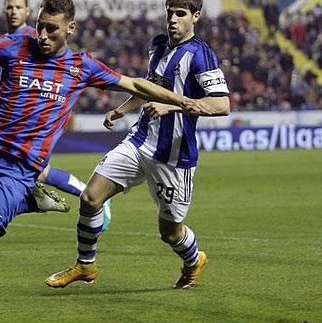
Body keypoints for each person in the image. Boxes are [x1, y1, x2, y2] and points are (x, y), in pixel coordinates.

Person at [0, 0, 209, 321]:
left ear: (70, 28)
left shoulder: (81, 66)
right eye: (40, 28)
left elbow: (134, 83)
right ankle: (28, 202)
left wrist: (184, 101)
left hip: (18, 170)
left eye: (51, 29)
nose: (43, 37)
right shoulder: (13, 45)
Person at [45, 0, 230, 290]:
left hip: (173, 156)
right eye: (170, 13)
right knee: (91, 197)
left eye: (180, 14)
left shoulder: (201, 54)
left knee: (170, 232)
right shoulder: (157, 44)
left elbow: (221, 104)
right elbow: (150, 85)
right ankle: (85, 265)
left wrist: (172, 108)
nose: (172, 19)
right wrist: (125, 107)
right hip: (139, 141)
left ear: (195, 16)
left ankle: (194, 261)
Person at [0, 0, 110, 242]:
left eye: (18, 7)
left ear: (27, 12)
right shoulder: (11, 40)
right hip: (8, 120)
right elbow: (18, 72)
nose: (13, 12)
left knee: (35, 173)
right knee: (24, 176)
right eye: (9, 7)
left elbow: (49, 72)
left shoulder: (33, 38)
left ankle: (95, 199)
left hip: (31, 124)